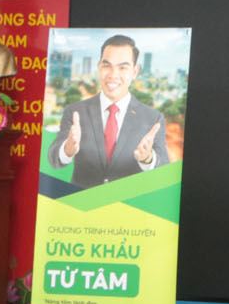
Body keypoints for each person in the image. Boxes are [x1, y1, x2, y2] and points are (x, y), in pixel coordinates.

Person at [51, 33, 169, 189]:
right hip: (81, 202)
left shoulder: (153, 118)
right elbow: (54, 158)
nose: (113, 75)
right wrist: (67, 150)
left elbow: (164, 169)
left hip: (129, 203)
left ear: (135, 71)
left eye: (123, 67)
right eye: (107, 65)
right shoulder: (75, 112)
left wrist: (148, 159)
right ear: (99, 67)